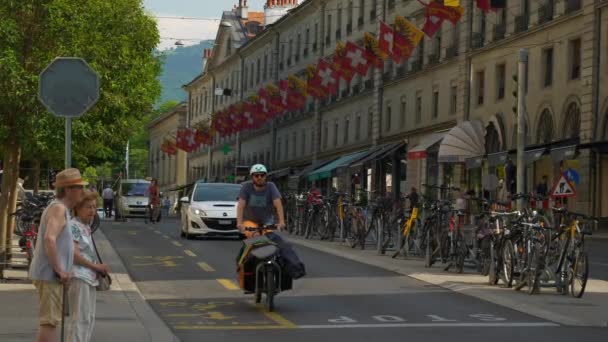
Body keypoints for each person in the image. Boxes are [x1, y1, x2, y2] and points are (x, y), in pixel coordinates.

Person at [29, 168, 86, 342]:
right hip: (50, 275)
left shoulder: (61, 209)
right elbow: (49, 239)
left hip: (51, 275)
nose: (82, 192)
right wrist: (60, 270)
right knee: (50, 323)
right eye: (79, 187)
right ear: (68, 189)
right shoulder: (59, 209)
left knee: (50, 321)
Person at [236, 164, 305, 279]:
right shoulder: (246, 187)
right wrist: (239, 223)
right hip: (249, 221)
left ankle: (291, 268)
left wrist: (281, 222)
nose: (259, 177)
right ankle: (247, 265)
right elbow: (241, 206)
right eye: (256, 175)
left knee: (275, 240)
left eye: (262, 175)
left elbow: (278, 204)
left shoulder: (271, 186)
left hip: (266, 221)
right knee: (256, 236)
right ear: (252, 177)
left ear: (265, 176)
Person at [67, 191, 110, 342]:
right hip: (79, 277)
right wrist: (96, 267)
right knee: (80, 319)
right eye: (88, 207)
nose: (92, 211)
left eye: (94, 207)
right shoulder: (74, 226)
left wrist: (96, 267)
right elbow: (75, 255)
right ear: (78, 208)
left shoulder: (85, 226)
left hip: (88, 278)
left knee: (88, 318)